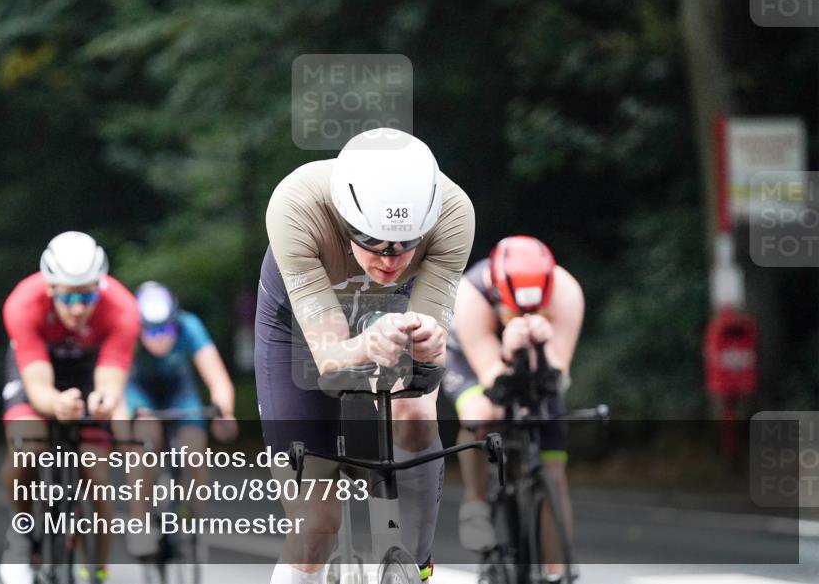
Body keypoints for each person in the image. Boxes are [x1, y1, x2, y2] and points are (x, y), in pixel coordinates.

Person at [255, 128, 475, 583]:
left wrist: (429, 350)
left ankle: (414, 565)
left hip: (396, 308)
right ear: (343, 217)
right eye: (372, 241)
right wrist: (363, 345)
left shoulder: (454, 214)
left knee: (414, 414)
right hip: (297, 327)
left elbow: (426, 364)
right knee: (315, 527)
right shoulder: (296, 206)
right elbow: (332, 357)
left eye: (406, 244)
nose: (390, 261)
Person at [0, 231, 140, 584]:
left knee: (96, 475)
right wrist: (55, 403)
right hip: (37, 367)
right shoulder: (22, 303)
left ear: (101, 286)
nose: (79, 307)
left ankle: (97, 569)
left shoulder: (122, 307)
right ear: (50, 289)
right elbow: (37, 389)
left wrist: (104, 401)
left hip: (88, 370)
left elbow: (110, 380)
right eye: (70, 297)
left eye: (88, 295)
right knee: (27, 446)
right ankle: (21, 534)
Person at [441, 235, 584, 580]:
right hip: (472, 359)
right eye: (516, 308)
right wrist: (508, 350)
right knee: (483, 413)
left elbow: (557, 377)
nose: (524, 314)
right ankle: (476, 501)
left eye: (534, 308)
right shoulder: (470, 296)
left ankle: (556, 570)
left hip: (536, 362)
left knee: (554, 476)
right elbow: (493, 380)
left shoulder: (565, 292)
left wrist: (543, 344)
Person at [116, 281, 238, 559]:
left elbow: (218, 379)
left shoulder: (190, 325)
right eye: (152, 331)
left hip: (179, 393)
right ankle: (141, 521)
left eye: (167, 330)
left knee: (194, 448)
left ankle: (192, 516)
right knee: (144, 440)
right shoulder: (127, 330)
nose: (160, 338)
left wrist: (225, 412)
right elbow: (116, 386)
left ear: (176, 320)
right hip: (140, 393)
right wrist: (121, 424)